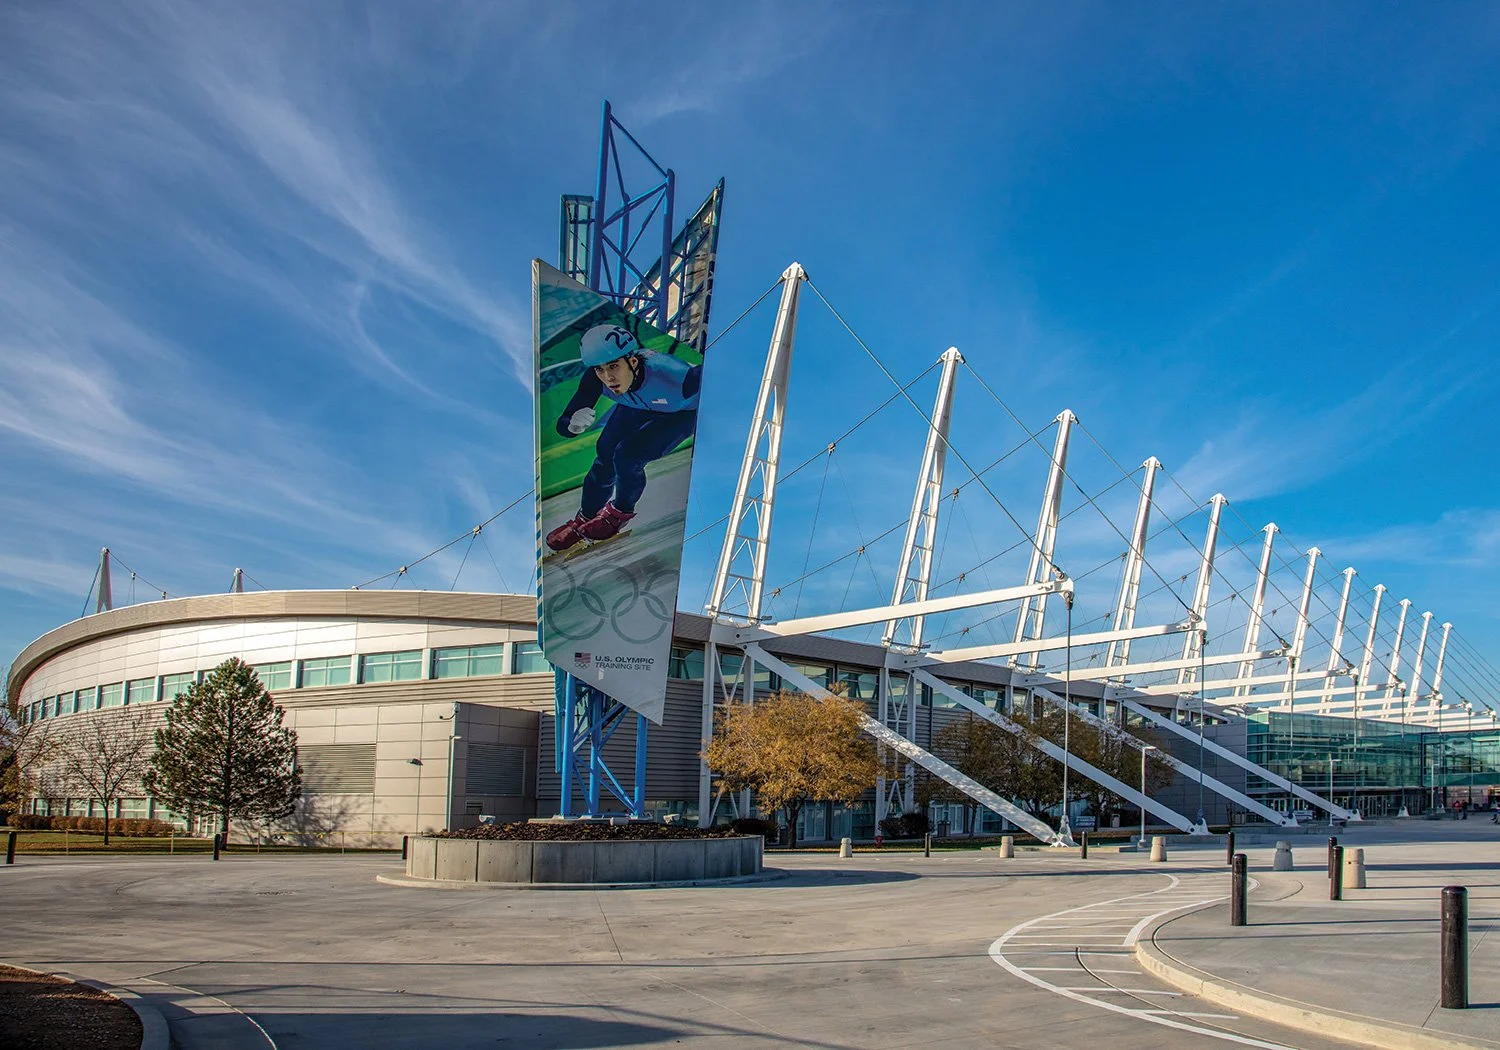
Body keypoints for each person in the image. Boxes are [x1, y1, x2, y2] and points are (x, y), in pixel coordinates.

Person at [545, 323, 701, 553]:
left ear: (633, 361)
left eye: (614, 366)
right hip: (638, 404)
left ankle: (619, 514)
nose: (608, 377)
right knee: (605, 453)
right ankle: (585, 517)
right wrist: (572, 425)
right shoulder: (595, 378)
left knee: (628, 456)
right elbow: (565, 421)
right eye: (600, 370)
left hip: (682, 413)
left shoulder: (677, 377)